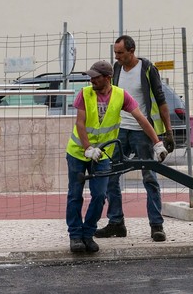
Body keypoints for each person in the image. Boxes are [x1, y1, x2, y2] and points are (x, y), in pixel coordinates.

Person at [65, 60, 168, 254]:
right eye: (91, 76)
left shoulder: (121, 96)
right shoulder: (84, 94)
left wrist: (157, 143)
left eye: (95, 77)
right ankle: (75, 236)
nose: (91, 80)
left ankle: (88, 233)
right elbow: (80, 123)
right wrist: (87, 148)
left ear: (107, 78)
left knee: (100, 195)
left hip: (102, 155)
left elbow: (141, 119)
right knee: (74, 195)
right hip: (78, 152)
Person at [95, 35, 176, 242]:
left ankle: (156, 225)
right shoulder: (117, 69)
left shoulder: (147, 69)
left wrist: (168, 132)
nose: (117, 56)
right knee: (111, 175)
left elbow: (161, 99)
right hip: (120, 131)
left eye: (120, 53)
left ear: (132, 51)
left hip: (142, 132)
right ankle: (116, 223)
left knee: (149, 177)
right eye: (115, 53)